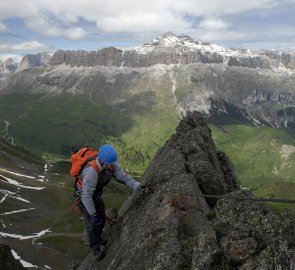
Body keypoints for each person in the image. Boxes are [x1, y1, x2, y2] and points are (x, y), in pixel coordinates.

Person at [76, 144, 151, 259]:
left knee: (101, 219)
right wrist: (92, 213)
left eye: (112, 163)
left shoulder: (112, 165)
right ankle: (96, 250)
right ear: (101, 160)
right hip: (85, 199)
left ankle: (99, 239)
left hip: (96, 196)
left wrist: (139, 187)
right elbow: (86, 196)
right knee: (91, 224)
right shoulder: (91, 172)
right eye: (109, 164)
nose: (111, 166)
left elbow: (125, 178)